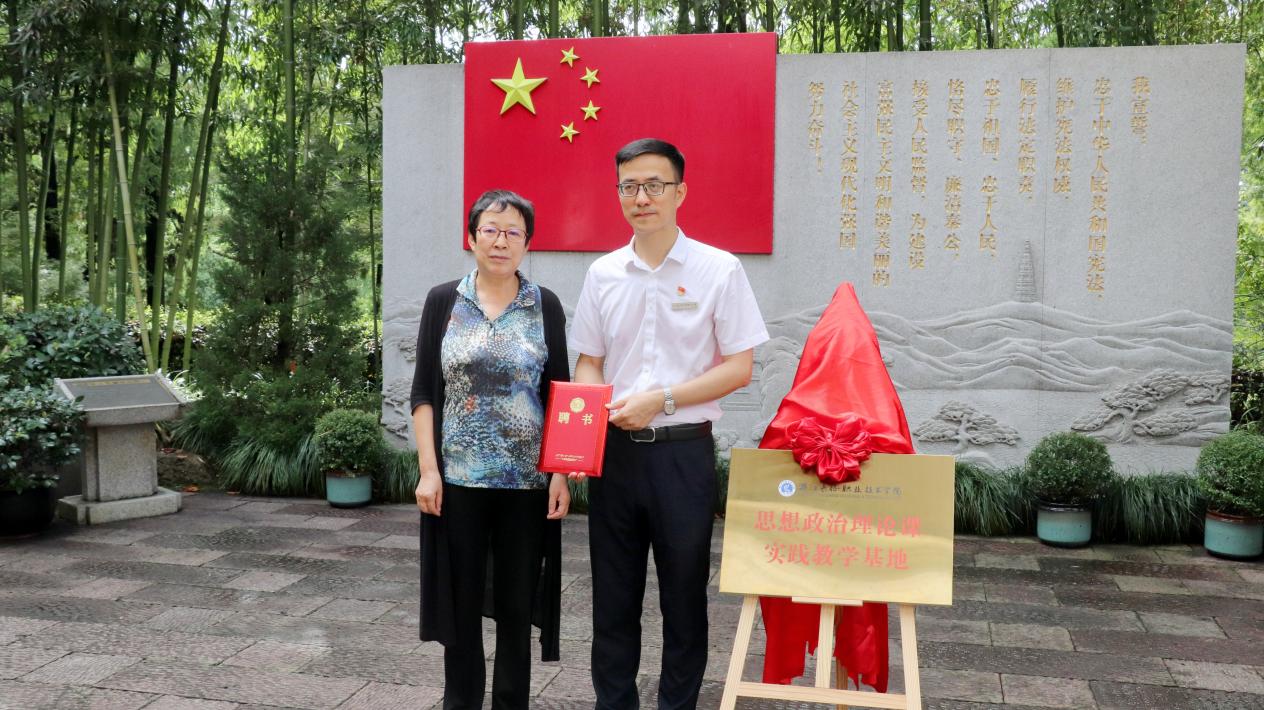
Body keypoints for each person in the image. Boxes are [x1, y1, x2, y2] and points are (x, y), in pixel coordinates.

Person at [569, 138, 770, 709]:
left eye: (654, 185)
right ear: (618, 194)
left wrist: (661, 400)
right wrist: (581, 437)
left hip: (683, 456)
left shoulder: (719, 269)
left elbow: (739, 367)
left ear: (680, 192)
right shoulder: (603, 273)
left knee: (684, 598)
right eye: (629, 186)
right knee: (613, 599)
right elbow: (589, 360)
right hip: (615, 456)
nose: (642, 197)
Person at [411, 189, 571, 710]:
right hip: (457, 484)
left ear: (528, 242)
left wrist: (560, 473)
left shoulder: (544, 305)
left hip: (527, 486)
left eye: (513, 232)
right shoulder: (443, 301)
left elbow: (561, 394)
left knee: (515, 608)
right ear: (472, 237)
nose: (501, 241)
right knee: (460, 611)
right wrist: (428, 470)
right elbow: (424, 393)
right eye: (491, 230)